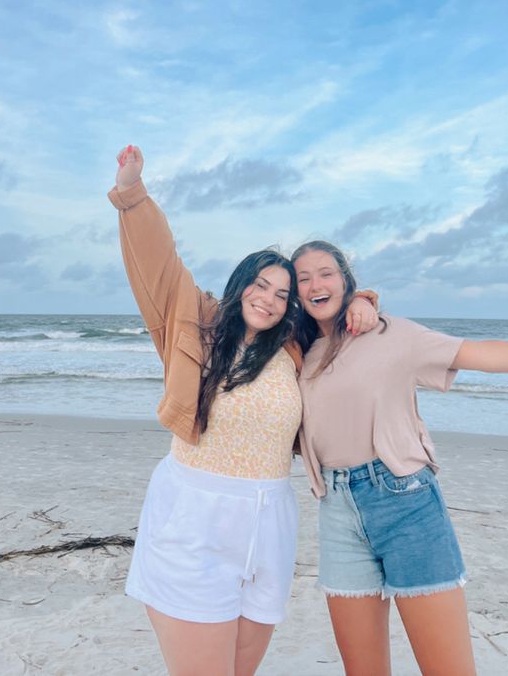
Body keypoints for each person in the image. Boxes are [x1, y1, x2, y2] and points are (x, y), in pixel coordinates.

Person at [291, 239, 508, 676]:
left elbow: (476, 352)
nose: (315, 283)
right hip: (336, 511)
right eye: (303, 278)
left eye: (326, 273)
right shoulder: (298, 353)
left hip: (403, 500)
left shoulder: (391, 333)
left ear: (345, 280)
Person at [109, 147, 379, 676]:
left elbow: (335, 309)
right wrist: (133, 194)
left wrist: (365, 298)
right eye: (260, 284)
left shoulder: (293, 345)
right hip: (195, 513)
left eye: (283, 293)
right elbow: (159, 263)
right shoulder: (194, 323)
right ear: (240, 285)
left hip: (270, 520)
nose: (270, 298)